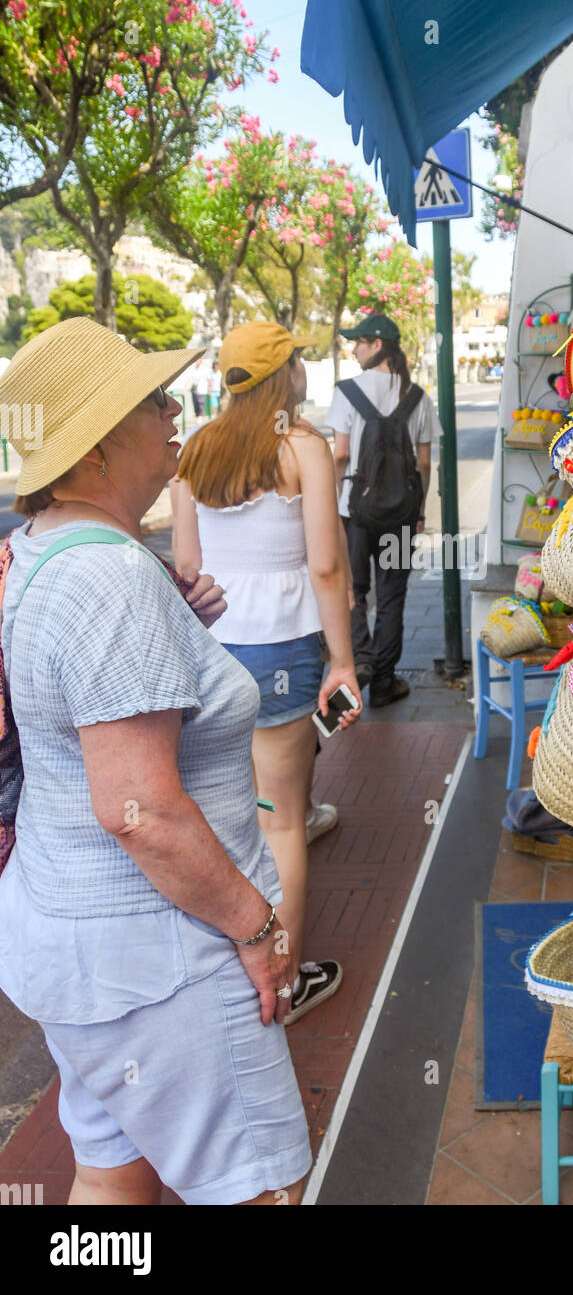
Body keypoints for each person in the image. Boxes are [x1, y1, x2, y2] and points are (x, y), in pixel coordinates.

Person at [0, 316, 311, 1206]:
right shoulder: (110, 578)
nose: (176, 408)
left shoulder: (41, 548)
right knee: (260, 1191)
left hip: (66, 945)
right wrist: (256, 927)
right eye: (150, 400)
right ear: (94, 448)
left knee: (109, 1172)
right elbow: (140, 810)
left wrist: (175, 632)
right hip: (157, 963)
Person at [171, 322, 361, 1021]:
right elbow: (326, 564)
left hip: (215, 651)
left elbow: (188, 570)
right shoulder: (303, 446)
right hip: (286, 648)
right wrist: (342, 659)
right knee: (283, 821)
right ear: (288, 374)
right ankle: (283, 983)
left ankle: (231, 968)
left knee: (229, 813)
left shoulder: (195, 449)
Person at [325, 313, 441, 708]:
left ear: (377, 345)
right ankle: (385, 681)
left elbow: (340, 454)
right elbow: (425, 463)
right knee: (391, 595)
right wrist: (419, 506)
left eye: (358, 342)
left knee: (354, 590)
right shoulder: (418, 397)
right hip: (401, 516)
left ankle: (362, 660)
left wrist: (331, 499)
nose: (354, 349)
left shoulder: (346, 392)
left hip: (353, 512)